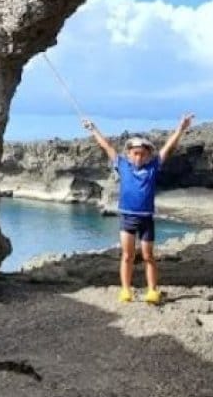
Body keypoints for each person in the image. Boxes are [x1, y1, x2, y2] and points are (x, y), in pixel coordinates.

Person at [81, 114, 194, 304]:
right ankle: (125, 290)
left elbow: (169, 147)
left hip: (146, 218)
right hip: (127, 217)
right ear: (129, 153)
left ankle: (152, 291)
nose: (139, 156)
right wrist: (92, 129)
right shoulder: (122, 165)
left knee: (149, 256)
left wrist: (181, 128)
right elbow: (106, 146)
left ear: (148, 154)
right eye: (135, 153)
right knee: (127, 255)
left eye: (142, 153)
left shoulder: (153, 166)